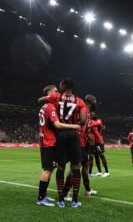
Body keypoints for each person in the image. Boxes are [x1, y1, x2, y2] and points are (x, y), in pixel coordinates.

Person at [41, 78, 87, 208]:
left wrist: (46, 98)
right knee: (76, 166)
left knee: (60, 167)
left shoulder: (56, 96)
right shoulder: (80, 101)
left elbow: (42, 99)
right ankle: (74, 201)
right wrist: (76, 124)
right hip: (73, 135)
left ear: (62, 86)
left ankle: (61, 200)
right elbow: (83, 121)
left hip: (60, 135)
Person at [62, 95, 97, 199]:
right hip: (78, 143)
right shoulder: (83, 110)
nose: (96, 103)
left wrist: (88, 137)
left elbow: (85, 127)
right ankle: (64, 193)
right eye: (95, 101)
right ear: (91, 101)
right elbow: (79, 126)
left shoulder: (85, 111)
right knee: (75, 168)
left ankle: (88, 190)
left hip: (83, 143)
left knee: (85, 167)